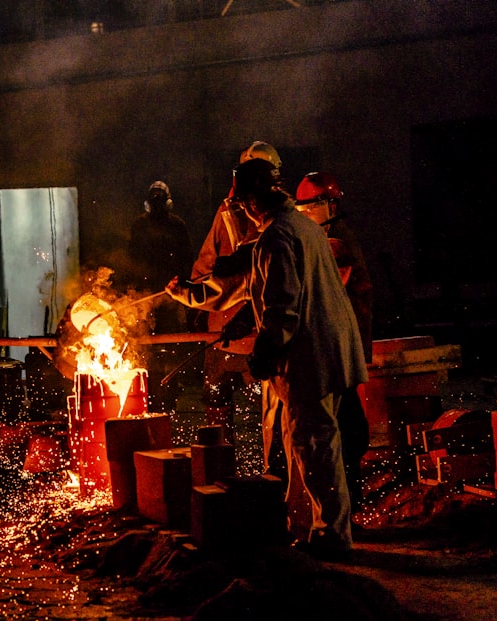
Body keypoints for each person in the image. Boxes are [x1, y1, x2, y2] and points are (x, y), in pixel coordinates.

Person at [225, 158, 367, 560]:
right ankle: (308, 527)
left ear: (253, 201)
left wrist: (264, 353)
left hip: (310, 358)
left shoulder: (276, 238)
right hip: (329, 350)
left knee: (315, 446)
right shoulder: (303, 226)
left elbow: (284, 307)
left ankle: (333, 536)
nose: (243, 212)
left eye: (243, 205)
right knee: (310, 444)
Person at [187, 142, 283, 470]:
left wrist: (194, 299)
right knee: (260, 403)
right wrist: (194, 298)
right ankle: (251, 469)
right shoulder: (274, 214)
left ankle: (228, 469)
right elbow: (211, 265)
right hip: (242, 327)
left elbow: (216, 269)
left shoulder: (265, 222)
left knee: (232, 400)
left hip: (247, 326)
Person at [295, 171, 373, 514]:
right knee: (343, 422)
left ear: (329, 204)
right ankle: (349, 503)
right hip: (342, 342)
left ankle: (347, 508)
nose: (305, 214)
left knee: (344, 426)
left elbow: (325, 288)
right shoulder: (329, 235)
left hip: (340, 343)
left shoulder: (335, 241)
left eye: (309, 207)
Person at [124, 181, 193, 411]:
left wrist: (181, 287)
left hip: (170, 296)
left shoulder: (177, 226)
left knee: (169, 345)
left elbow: (186, 260)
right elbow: (132, 259)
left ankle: (168, 391)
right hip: (147, 296)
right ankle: (152, 392)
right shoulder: (140, 225)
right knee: (147, 347)